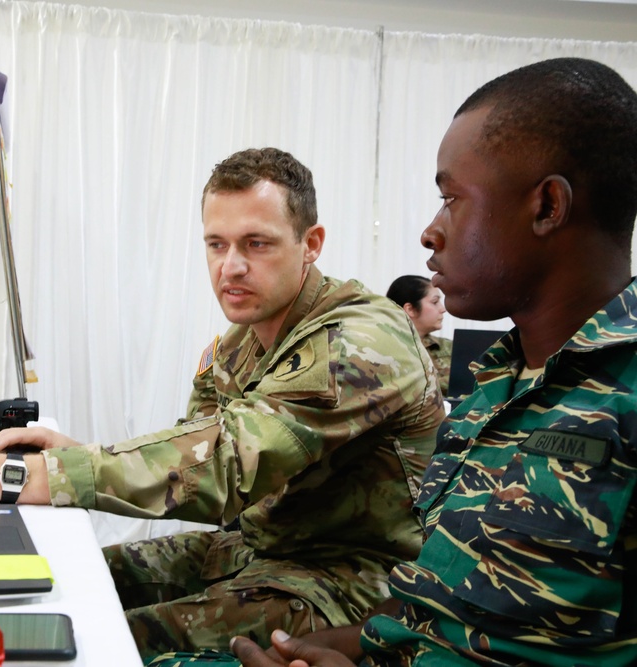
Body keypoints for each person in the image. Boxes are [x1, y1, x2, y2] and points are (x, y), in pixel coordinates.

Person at [0, 147, 444, 658]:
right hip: (252, 548)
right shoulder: (237, 345)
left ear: (310, 244)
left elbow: (224, 464)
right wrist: (80, 454)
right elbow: (187, 452)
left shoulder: (364, 338)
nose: (230, 266)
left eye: (256, 244)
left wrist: (3, 475)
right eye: (216, 244)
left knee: (95, 638)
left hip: (343, 579)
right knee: (60, 579)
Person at [230, 56, 637, 667]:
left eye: (452, 199)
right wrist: (337, 648)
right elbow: (438, 603)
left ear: (548, 206)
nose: (429, 230)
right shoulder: (493, 389)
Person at [385, 275, 450, 396]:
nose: (442, 309)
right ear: (410, 309)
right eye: (435, 302)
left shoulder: (450, 347)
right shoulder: (383, 349)